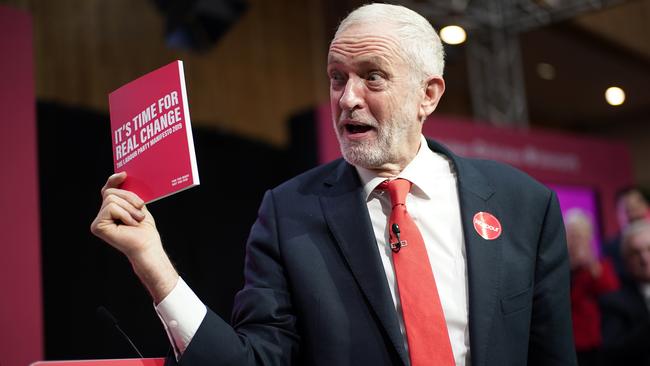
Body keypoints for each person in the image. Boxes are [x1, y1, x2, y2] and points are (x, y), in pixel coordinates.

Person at [91, 3, 576, 366]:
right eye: (337, 77)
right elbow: (254, 361)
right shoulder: (288, 213)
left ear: (428, 94)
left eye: (373, 77)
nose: (348, 99)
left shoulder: (522, 204)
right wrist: (152, 263)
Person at [564, 209, 619, 365]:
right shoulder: (558, 266)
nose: (575, 240)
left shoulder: (599, 265)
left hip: (592, 340)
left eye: (580, 235)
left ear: (589, 237)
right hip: (564, 338)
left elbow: (611, 292)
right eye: (571, 234)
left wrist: (591, 265)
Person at [599, 220, 650, 365]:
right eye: (636, 253)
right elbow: (613, 352)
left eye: (649, 249)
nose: (645, 259)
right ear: (626, 261)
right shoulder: (614, 302)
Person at [602, 186, 650, 276]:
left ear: (646, 207)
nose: (635, 214)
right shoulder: (610, 248)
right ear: (618, 213)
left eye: (637, 207)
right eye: (628, 209)